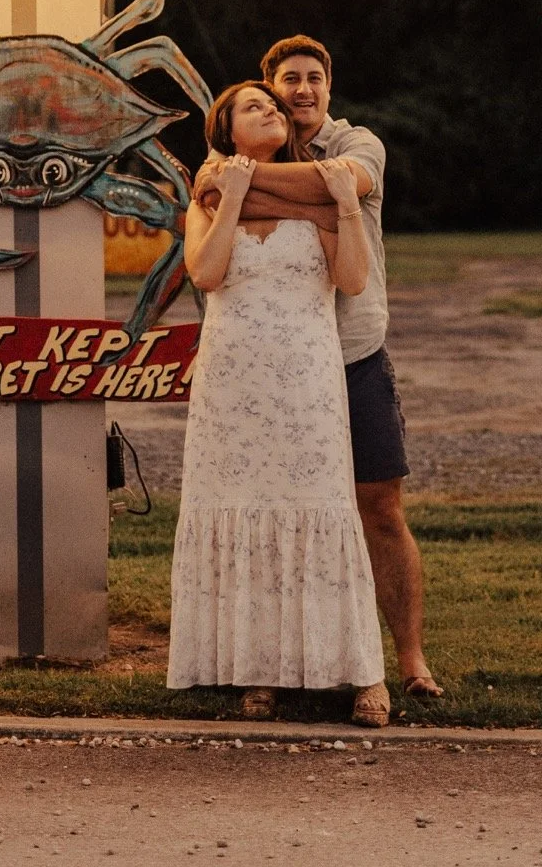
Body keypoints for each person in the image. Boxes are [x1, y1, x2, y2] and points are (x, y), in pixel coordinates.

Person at [167, 79, 389, 725]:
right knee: (246, 512)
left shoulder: (319, 196)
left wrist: (344, 204)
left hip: (306, 383)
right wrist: (229, 195)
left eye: (272, 104)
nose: (269, 107)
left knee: (324, 510)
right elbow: (206, 274)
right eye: (252, 105)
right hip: (232, 386)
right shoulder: (208, 200)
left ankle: (362, 673)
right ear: (227, 129)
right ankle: (256, 670)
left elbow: (350, 278)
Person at [262, 35, 442, 701]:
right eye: (289, 78)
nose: (302, 88)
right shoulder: (253, 148)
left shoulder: (357, 142)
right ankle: (282, 663)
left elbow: (351, 181)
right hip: (280, 367)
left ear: (328, 88)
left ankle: (412, 659)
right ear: (272, 87)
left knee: (381, 507)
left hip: (354, 355)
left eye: (313, 77)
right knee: (285, 514)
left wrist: (242, 178)